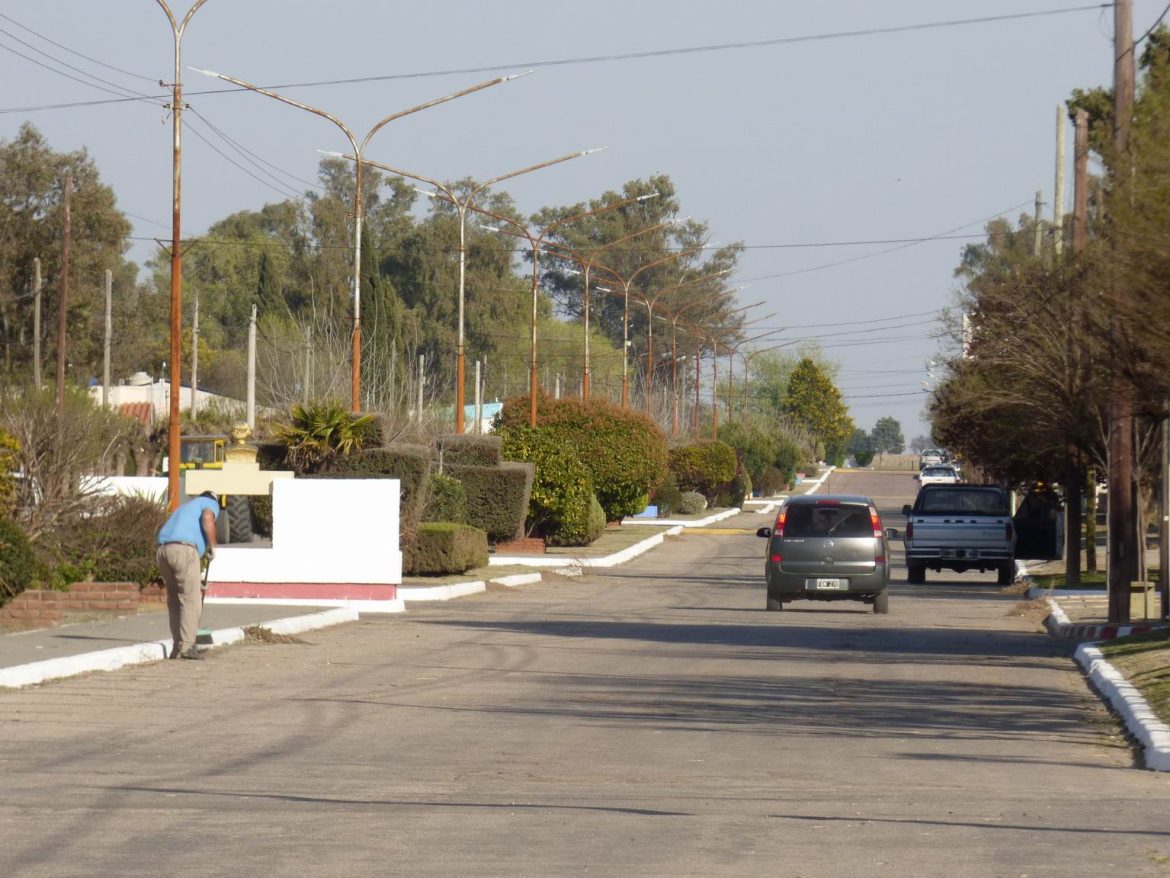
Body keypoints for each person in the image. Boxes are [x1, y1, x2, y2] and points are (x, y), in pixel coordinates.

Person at [156, 490, 220, 660]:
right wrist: (213, 546)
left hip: (162, 550)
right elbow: (208, 517)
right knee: (191, 599)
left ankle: (177, 647)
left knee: (175, 599)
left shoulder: (184, 507)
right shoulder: (209, 503)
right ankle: (187, 647)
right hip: (184, 549)